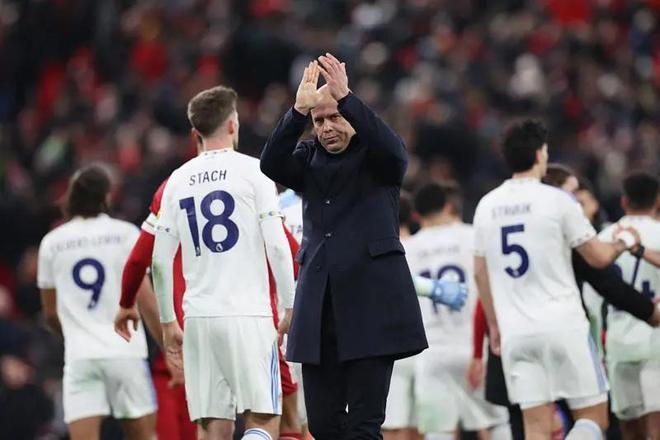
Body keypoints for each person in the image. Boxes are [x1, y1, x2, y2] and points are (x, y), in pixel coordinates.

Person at [260, 55, 428, 439]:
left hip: (371, 305)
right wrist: (297, 113)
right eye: (319, 121)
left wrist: (347, 98)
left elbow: (397, 154)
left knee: (364, 425)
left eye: (335, 117)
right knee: (322, 426)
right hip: (319, 310)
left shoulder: (377, 158)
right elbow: (270, 164)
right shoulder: (307, 158)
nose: (327, 127)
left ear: (351, 116)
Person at [472, 120, 640, 440]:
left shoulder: (486, 206)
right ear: (540, 155)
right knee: (594, 418)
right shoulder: (558, 200)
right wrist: (623, 242)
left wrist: (494, 325)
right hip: (564, 326)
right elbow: (598, 258)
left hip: (515, 332)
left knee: (535, 429)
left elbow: (480, 273)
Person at [151, 85, 296, 440]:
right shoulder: (255, 171)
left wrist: (168, 322)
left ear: (195, 132)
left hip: (198, 319)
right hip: (249, 315)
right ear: (233, 125)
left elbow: (159, 261)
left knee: (212, 428)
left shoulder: (177, 180)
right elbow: (278, 247)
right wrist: (290, 305)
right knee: (263, 419)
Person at [37, 165, 157, 440]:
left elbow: (50, 314)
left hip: (81, 355)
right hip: (125, 351)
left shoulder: (52, 243)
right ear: (107, 196)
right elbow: (147, 301)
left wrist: (75, 334)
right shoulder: (125, 234)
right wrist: (169, 348)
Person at [405, 182, 510, 440]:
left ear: (416, 215)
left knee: (438, 429)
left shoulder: (407, 248)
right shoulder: (472, 236)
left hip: (431, 351)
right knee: (497, 422)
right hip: (474, 345)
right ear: (448, 206)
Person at [598, 171, 660, 440]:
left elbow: (592, 300)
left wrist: (597, 348)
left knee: (629, 430)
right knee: (656, 427)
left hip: (617, 343)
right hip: (656, 341)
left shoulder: (604, 239)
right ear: (658, 201)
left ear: (624, 201)